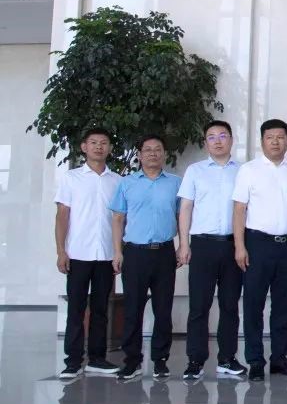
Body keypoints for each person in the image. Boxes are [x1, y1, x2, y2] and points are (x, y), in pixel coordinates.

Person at [232, 118, 287, 382]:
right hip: (257, 244)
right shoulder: (248, 170)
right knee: (253, 304)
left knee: (284, 305)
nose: (276, 142)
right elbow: (239, 210)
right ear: (262, 141)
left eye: (280, 137)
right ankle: (255, 360)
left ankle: (279, 359)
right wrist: (239, 246)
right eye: (270, 137)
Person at [177, 120, 246, 382]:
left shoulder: (243, 171)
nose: (217, 141)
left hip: (233, 245)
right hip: (202, 245)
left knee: (230, 305)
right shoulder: (195, 171)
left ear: (231, 140)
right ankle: (195, 360)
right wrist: (184, 243)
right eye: (212, 137)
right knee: (199, 305)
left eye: (223, 136)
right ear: (205, 142)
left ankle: (227, 358)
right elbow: (186, 208)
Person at [110, 135, 182, 382]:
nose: (153, 153)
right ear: (139, 155)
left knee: (163, 309)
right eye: (147, 150)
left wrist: (183, 246)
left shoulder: (175, 183)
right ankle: (132, 361)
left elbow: (182, 217)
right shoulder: (127, 183)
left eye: (157, 149)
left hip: (164, 252)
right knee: (133, 309)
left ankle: (160, 360)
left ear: (164, 154)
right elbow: (118, 219)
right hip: (135, 253)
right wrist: (117, 251)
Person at [55, 128, 123, 381]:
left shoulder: (117, 181)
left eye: (104, 143)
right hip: (78, 253)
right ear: (84, 147)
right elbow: (62, 216)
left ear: (110, 148)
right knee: (76, 308)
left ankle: (97, 359)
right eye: (93, 142)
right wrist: (61, 251)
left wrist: (119, 252)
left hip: (105, 254)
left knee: (101, 309)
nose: (98, 147)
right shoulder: (71, 178)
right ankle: (73, 362)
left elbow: (120, 219)